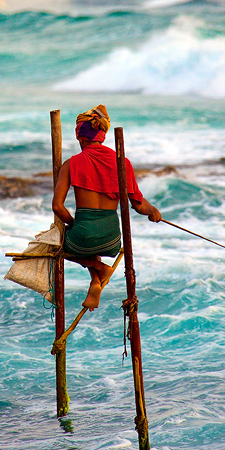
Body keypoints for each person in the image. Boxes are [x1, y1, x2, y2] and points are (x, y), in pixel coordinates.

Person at [52, 105, 161, 311]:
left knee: (55, 245)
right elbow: (138, 204)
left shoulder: (71, 163)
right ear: (102, 136)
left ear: (80, 137)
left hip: (82, 237)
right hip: (111, 238)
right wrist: (154, 211)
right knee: (93, 241)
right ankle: (95, 281)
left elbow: (57, 207)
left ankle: (100, 268)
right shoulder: (123, 163)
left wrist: (75, 224)